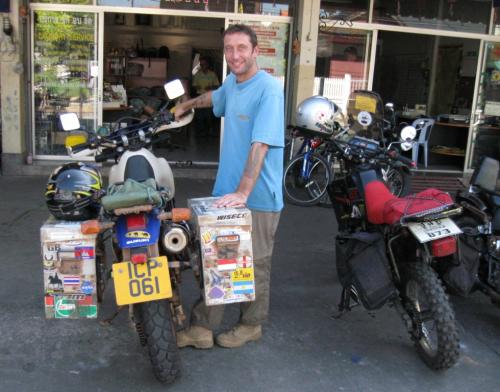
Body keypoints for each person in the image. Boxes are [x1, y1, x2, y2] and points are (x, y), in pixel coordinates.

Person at [174, 24, 284, 349]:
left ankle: (251, 325)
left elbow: (261, 145)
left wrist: (243, 192)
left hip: (258, 197)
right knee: (220, 260)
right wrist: (188, 104)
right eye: (229, 49)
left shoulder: (269, 90)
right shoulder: (233, 84)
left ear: (255, 51)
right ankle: (203, 328)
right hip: (227, 195)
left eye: (241, 48)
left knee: (255, 263)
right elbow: (214, 97)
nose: (234, 55)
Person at [192, 57, 220, 136]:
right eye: (201, 64)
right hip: (200, 96)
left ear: (207, 65)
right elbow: (194, 86)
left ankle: (210, 130)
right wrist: (196, 87)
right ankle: (201, 132)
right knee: (200, 115)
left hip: (209, 97)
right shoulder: (197, 74)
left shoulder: (212, 74)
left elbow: (217, 86)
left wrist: (210, 87)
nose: (202, 66)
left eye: (204, 64)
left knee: (209, 115)